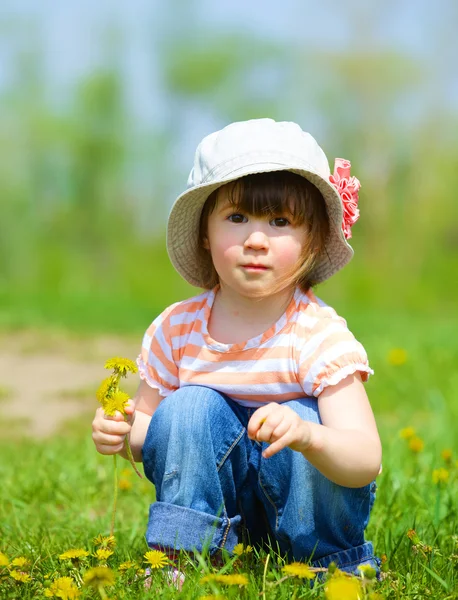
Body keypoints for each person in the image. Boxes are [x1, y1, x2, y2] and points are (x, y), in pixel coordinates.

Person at [92, 118, 382, 576]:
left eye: (280, 221)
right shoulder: (177, 328)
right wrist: (123, 434)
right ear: (205, 234)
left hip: (306, 513)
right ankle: (186, 556)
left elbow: (365, 458)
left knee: (307, 416)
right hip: (211, 506)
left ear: (313, 240)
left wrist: (308, 436)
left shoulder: (316, 333)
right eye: (237, 218)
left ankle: (330, 563)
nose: (256, 239)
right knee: (187, 406)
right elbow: (155, 433)